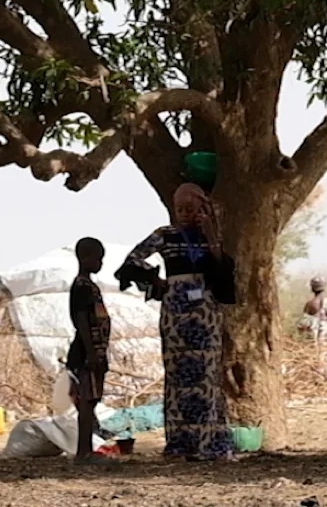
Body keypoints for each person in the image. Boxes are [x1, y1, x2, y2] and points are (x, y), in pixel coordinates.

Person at [117, 183, 236, 461]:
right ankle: (182, 442)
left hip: (205, 314)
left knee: (206, 375)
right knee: (178, 376)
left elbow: (224, 270)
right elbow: (132, 260)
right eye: (179, 208)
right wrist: (156, 281)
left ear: (201, 208)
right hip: (176, 315)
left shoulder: (211, 237)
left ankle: (210, 443)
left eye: (190, 208)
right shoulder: (165, 235)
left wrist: (211, 236)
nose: (184, 213)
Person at [66, 237, 112, 462]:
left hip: (94, 352)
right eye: (97, 258)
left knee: (91, 401)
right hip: (86, 354)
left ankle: (86, 450)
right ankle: (83, 452)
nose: (100, 263)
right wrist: (91, 352)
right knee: (86, 402)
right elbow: (82, 320)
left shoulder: (88, 286)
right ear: (84, 258)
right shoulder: (82, 287)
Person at [302, 277, 327, 342]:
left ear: (312, 289)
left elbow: (304, 324)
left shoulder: (309, 304)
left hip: (313, 338)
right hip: (326, 336)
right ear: (324, 288)